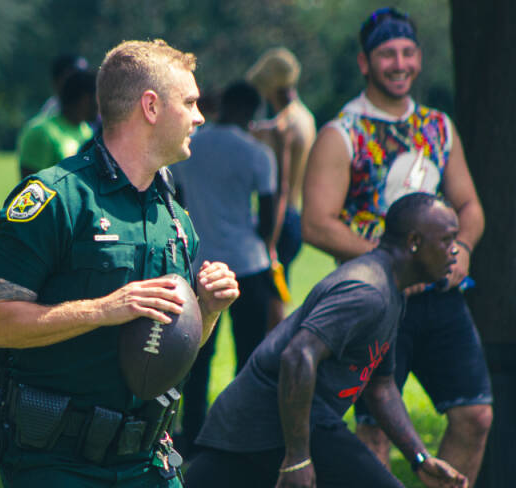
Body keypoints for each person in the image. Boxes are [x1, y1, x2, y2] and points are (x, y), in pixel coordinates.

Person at [0, 39, 240, 487]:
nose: (199, 116)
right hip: (56, 465)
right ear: (151, 107)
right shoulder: (56, 198)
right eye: (190, 102)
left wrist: (207, 309)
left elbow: (168, 351)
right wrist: (103, 309)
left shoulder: (174, 216)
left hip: (148, 462)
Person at [300, 7, 492, 484]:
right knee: (373, 431)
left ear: (420, 59)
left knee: (476, 416)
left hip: (442, 298)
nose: (400, 63)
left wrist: (462, 249)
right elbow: (317, 224)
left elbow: (470, 205)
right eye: (387, 54)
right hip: (378, 302)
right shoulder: (342, 133)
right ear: (366, 63)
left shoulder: (437, 127)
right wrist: (390, 264)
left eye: (408, 53)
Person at [185, 193, 468, 488]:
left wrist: (419, 457)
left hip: (271, 420)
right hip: (271, 421)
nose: (455, 252)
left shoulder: (391, 290)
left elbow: (381, 386)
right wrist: (298, 457)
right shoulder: (367, 292)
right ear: (414, 242)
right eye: (447, 241)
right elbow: (297, 355)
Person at [170, 80, 279, 458]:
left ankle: (193, 436)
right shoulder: (258, 154)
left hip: (199, 262)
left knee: (197, 356)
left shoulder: (190, 148)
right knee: (249, 356)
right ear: (251, 112)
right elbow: (267, 220)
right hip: (247, 263)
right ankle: (240, 435)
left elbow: (178, 202)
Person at [246, 46, 317, 330]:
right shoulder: (305, 117)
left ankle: (276, 366)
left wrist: (270, 241)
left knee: (272, 307)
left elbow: (280, 188)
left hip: (280, 219)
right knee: (277, 297)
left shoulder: (283, 126)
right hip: (294, 217)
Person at [17, 70, 98, 179]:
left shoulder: (87, 131)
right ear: (85, 99)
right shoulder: (41, 133)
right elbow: (29, 186)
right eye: (99, 97)